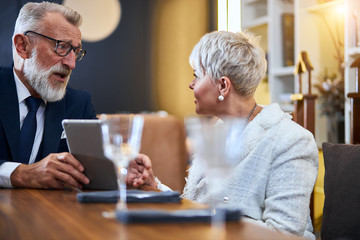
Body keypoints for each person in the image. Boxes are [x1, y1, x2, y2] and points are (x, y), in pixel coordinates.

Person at [127, 31, 318, 240]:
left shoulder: (292, 141)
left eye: (196, 76)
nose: (191, 85)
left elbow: (284, 234)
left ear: (223, 86)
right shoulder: (217, 130)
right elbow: (196, 204)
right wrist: (155, 185)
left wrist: (205, 218)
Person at [0, 2, 96, 189]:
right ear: (22, 46)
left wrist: (122, 171)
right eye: (61, 47)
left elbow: (92, 170)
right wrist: (20, 174)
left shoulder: (79, 104)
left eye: (75, 52)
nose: (71, 63)